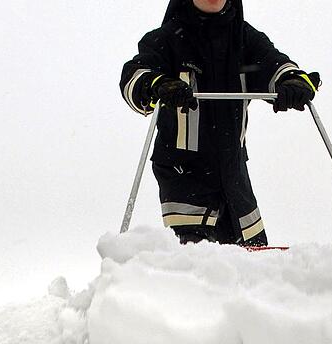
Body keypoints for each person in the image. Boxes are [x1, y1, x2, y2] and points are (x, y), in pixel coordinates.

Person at [120, 0, 319, 246]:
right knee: (196, 258)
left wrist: (293, 81)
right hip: (184, 177)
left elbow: (274, 65)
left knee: (253, 256)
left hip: (235, 178)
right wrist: (156, 85)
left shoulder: (245, 40)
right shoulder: (165, 40)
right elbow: (134, 77)